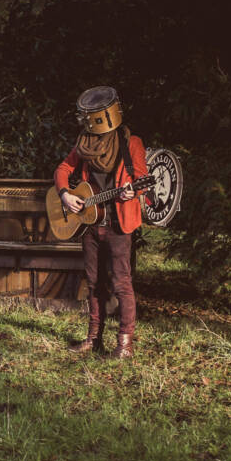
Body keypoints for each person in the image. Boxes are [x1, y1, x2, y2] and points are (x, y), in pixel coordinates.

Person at [53, 86, 149, 359]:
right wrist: (65, 195)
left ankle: (124, 346)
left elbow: (140, 178)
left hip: (119, 225)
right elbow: (63, 169)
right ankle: (93, 338)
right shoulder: (85, 143)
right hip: (90, 225)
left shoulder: (132, 143)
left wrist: (134, 190)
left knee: (121, 284)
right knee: (94, 283)